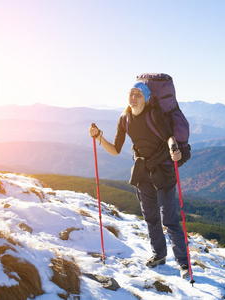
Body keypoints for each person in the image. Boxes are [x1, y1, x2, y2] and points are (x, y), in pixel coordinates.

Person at [89, 82, 190, 279]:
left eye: (138, 95)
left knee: (169, 220)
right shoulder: (124, 119)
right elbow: (116, 150)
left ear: (147, 98)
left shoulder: (153, 115)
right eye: (131, 94)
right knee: (151, 217)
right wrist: (99, 136)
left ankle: (184, 264)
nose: (133, 97)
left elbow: (169, 137)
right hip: (143, 172)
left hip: (163, 171)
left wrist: (173, 148)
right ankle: (159, 255)